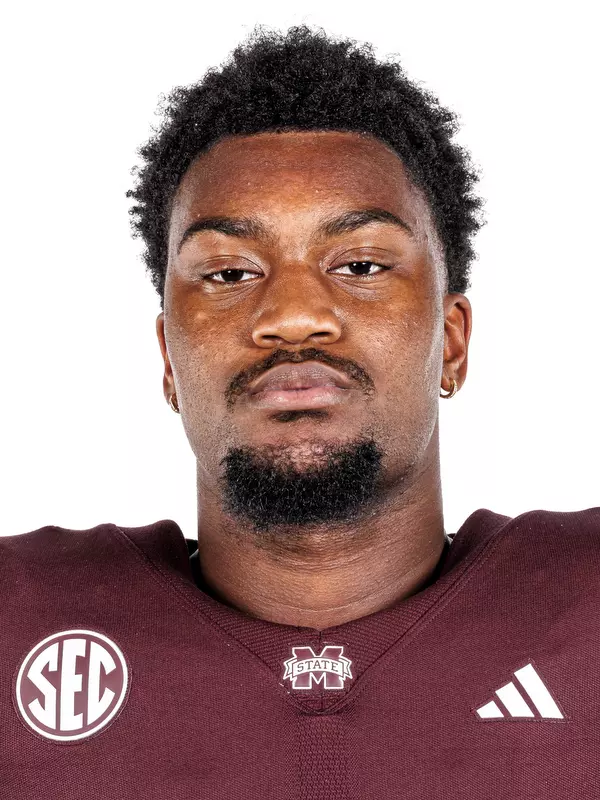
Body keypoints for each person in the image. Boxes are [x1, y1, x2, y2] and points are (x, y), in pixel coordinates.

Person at [3, 24, 599, 800]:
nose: (291, 315)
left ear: (451, 343)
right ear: (167, 359)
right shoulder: (19, 619)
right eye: (228, 272)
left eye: (360, 264)